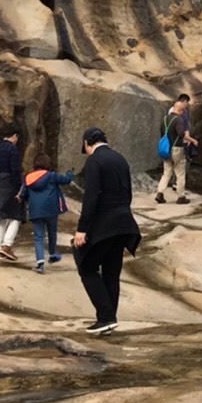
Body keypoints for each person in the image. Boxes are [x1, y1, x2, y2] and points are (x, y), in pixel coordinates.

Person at [73, 127, 140, 335]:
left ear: (87, 143)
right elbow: (128, 193)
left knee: (86, 266)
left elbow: (91, 197)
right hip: (125, 222)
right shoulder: (120, 159)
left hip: (104, 222)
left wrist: (82, 229)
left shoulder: (94, 161)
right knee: (112, 272)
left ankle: (105, 317)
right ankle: (109, 320)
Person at [19, 154, 75, 272]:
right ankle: (52, 254)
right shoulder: (52, 176)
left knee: (39, 237)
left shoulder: (28, 177)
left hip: (36, 211)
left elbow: (23, 194)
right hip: (51, 209)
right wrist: (70, 172)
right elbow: (67, 180)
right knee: (52, 233)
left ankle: (40, 264)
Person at [0, 127, 24, 260]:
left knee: (1, 217)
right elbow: (15, 171)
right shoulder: (12, 150)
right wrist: (19, 189)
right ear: (14, 135)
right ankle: (7, 246)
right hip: (8, 185)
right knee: (16, 216)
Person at [157, 93, 198, 205]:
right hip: (177, 148)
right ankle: (181, 196)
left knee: (166, 173)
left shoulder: (165, 119)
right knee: (180, 173)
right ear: (180, 111)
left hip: (166, 149)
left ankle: (160, 193)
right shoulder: (178, 120)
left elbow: (161, 132)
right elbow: (181, 133)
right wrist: (192, 140)